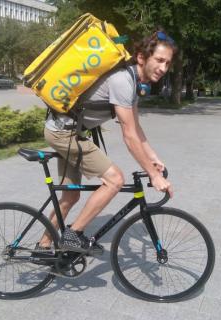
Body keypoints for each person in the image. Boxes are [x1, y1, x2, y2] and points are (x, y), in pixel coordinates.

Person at [39, 31, 176, 253]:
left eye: (167, 63)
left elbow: (136, 128)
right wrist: (153, 175)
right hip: (64, 133)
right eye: (159, 60)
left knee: (70, 195)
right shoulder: (123, 80)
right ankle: (73, 235)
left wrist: (154, 160)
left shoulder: (131, 80)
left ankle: (43, 246)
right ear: (142, 57)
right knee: (115, 180)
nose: (163, 68)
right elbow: (129, 136)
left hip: (66, 131)